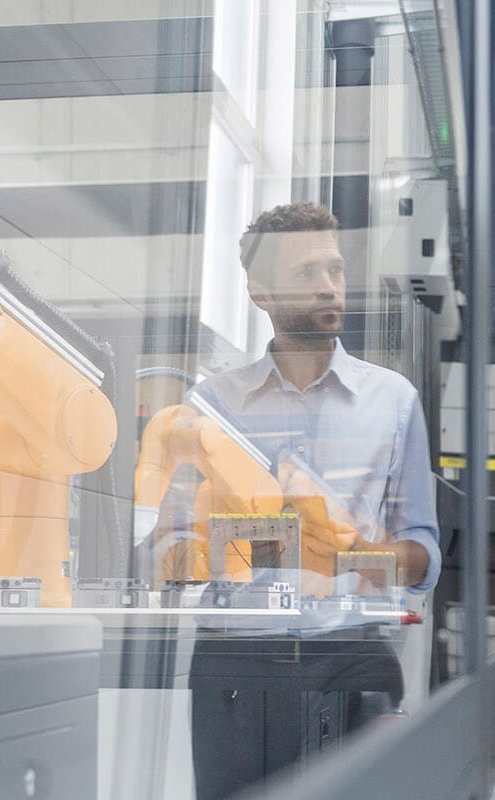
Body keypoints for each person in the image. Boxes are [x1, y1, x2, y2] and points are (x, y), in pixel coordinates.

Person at [155, 202, 441, 800]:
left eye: (334, 270)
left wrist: (352, 555)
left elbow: (423, 556)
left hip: (353, 660)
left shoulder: (393, 402)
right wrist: (242, 550)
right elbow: (170, 553)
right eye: (307, 273)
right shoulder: (212, 404)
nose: (328, 286)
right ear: (260, 291)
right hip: (235, 667)